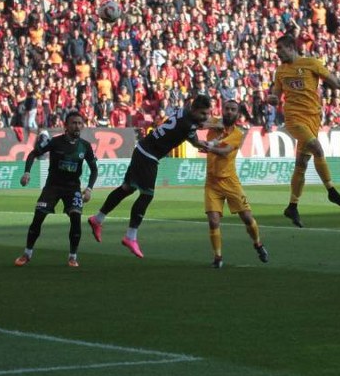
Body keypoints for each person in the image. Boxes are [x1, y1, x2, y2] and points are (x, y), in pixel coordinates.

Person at [88, 95, 214, 258]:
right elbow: (196, 141)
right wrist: (208, 145)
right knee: (147, 195)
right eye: (203, 113)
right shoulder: (188, 125)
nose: (206, 117)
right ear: (195, 110)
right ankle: (130, 236)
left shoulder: (183, 112)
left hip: (142, 149)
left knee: (127, 188)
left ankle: (97, 219)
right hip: (149, 156)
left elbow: (199, 125)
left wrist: (212, 126)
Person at [268, 32, 340, 228]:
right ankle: (331, 191)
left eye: (280, 49)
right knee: (317, 149)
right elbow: (276, 95)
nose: (277, 53)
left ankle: (292, 206)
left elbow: (336, 82)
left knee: (302, 164)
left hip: (313, 118)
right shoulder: (280, 71)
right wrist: (271, 99)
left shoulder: (311, 63)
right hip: (294, 119)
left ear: (290, 48)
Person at [15, 111, 98, 268]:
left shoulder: (85, 146)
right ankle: (27, 253)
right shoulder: (55, 142)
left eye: (80, 123)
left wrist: (89, 189)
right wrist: (27, 172)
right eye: (74, 123)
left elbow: (94, 169)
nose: (77, 126)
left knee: (76, 217)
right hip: (52, 186)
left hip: (72, 188)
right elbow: (33, 154)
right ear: (66, 126)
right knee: (38, 218)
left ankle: (72, 257)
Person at [204, 99, 268, 268]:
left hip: (230, 181)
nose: (229, 112)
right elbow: (199, 123)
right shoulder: (214, 123)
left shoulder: (238, 134)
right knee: (213, 221)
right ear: (222, 109)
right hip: (212, 181)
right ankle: (217, 258)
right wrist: (211, 125)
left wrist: (209, 147)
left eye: (233, 109)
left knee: (247, 217)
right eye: (227, 109)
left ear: (238, 113)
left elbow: (225, 152)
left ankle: (258, 244)